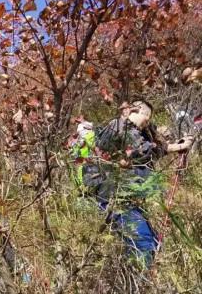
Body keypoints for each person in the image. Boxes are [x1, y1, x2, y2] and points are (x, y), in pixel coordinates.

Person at [78, 100, 192, 267]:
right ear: (136, 111)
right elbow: (144, 151)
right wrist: (178, 147)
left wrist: (177, 144)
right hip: (112, 197)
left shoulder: (133, 130)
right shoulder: (119, 126)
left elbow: (153, 146)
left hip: (123, 197)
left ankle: (131, 277)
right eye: (146, 118)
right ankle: (141, 282)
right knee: (145, 243)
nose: (146, 124)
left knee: (146, 241)